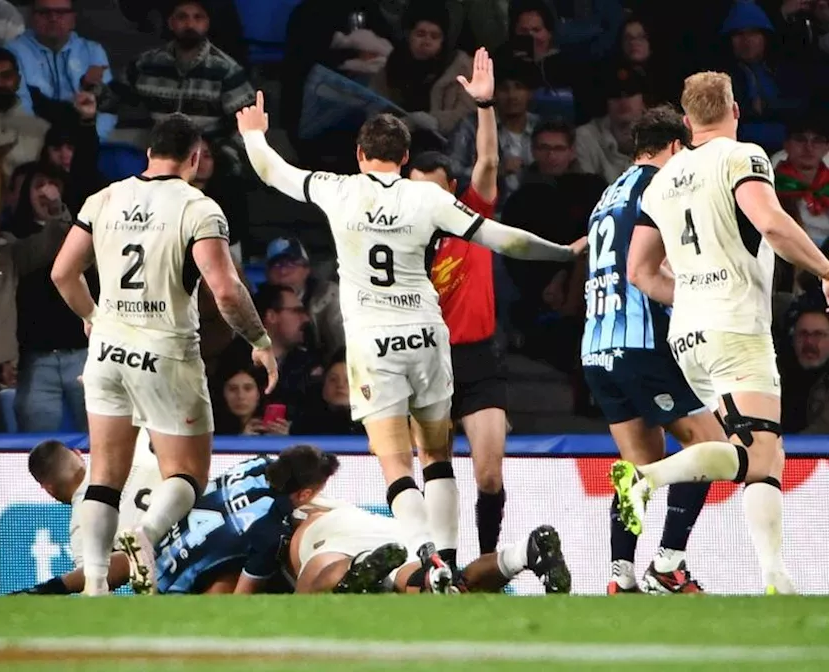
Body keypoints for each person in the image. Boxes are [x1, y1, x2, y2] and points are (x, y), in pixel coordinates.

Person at [237, 91, 584, 571]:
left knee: (396, 464)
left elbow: (273, 172)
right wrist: (563, 253)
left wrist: (254, 134)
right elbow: (500, 237)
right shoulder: (426, 198)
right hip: (426, 336)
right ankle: (446, 555)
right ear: (404, 159)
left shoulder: (338, 188)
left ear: (360, 156)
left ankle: (430, 562)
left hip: (373, 343)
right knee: (436, 455)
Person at [615, 72, 829, 595]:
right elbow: (772, 223)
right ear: (734, 110)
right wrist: (826, 270)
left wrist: (691, 292)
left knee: (764, 454)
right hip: (734, 323)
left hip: (688, 334)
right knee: (758, 447)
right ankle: (647, 478)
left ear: (686, 123)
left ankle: (775, 577)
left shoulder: (661, 179)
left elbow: (640, 270)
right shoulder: (742, 155)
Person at [50, 113, 277, 596]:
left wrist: (92, 316)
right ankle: (145, 534)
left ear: (147, 154)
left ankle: (94, 584)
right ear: (195, 157)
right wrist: (259, 341)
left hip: (107, 351)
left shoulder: (103, 198)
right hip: (165, 353)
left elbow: (62, 273)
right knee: (188, 474)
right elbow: (227, 289)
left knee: (105, 475)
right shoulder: (198, 208)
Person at [581, 105, 726, 595]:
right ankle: (668, 565)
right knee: (711, 447)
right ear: (674, 146)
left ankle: (621, 572)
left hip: (597, 346)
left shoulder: (608, 193)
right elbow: (647, 271)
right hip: (639, 343)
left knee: (640, 466)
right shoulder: (663, 187)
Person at [405, 48, 510, 557]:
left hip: (477, 358)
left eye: (434, 192)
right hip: (424, 360)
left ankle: (487, 561)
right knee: (436, 471)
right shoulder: (396, 234)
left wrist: (485, 107)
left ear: (451, 190)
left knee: (489, 473)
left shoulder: (472, 217)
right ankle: (443, 565)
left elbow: (488, 161)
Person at [153, 446, 337, 595]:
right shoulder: (270, 533)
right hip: (172, 592)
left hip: (155, 556)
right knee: (229, 579)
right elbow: (242, 597)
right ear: (305, 494)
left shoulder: (255, 463)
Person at [288, 501, 570, 595]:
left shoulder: (297, 519)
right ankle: (524, 552)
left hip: (324, 536)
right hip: (393, 535)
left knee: (312, 588)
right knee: (448, 587)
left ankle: (359, 567)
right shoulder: (338, 503)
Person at [16, 430, 162, 594]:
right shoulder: (122, 442)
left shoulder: (80, 525)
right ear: (78, 454)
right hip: (191, 513)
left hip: (170, 564)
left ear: (48, 489)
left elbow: (94, 584)